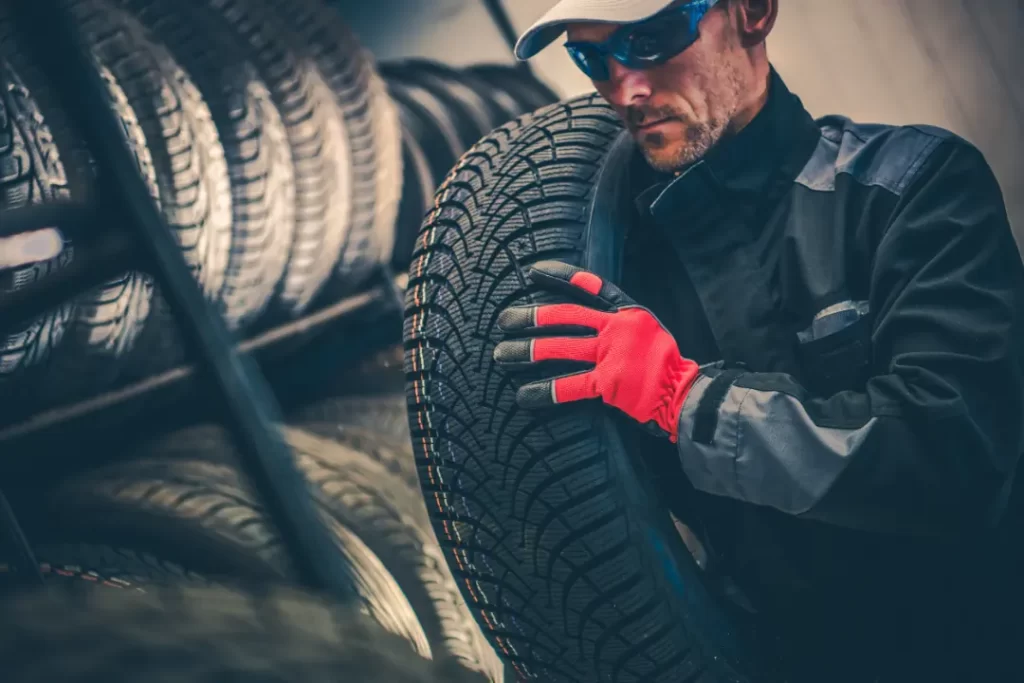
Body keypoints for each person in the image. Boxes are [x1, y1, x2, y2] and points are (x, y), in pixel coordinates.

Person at [495, 0, 1024, 680]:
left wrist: (685, 402)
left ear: (752, 12)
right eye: (593, 58)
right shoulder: (614, 276)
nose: (625, 88)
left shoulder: (911, 188)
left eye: (651, 39)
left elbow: (957, 458)